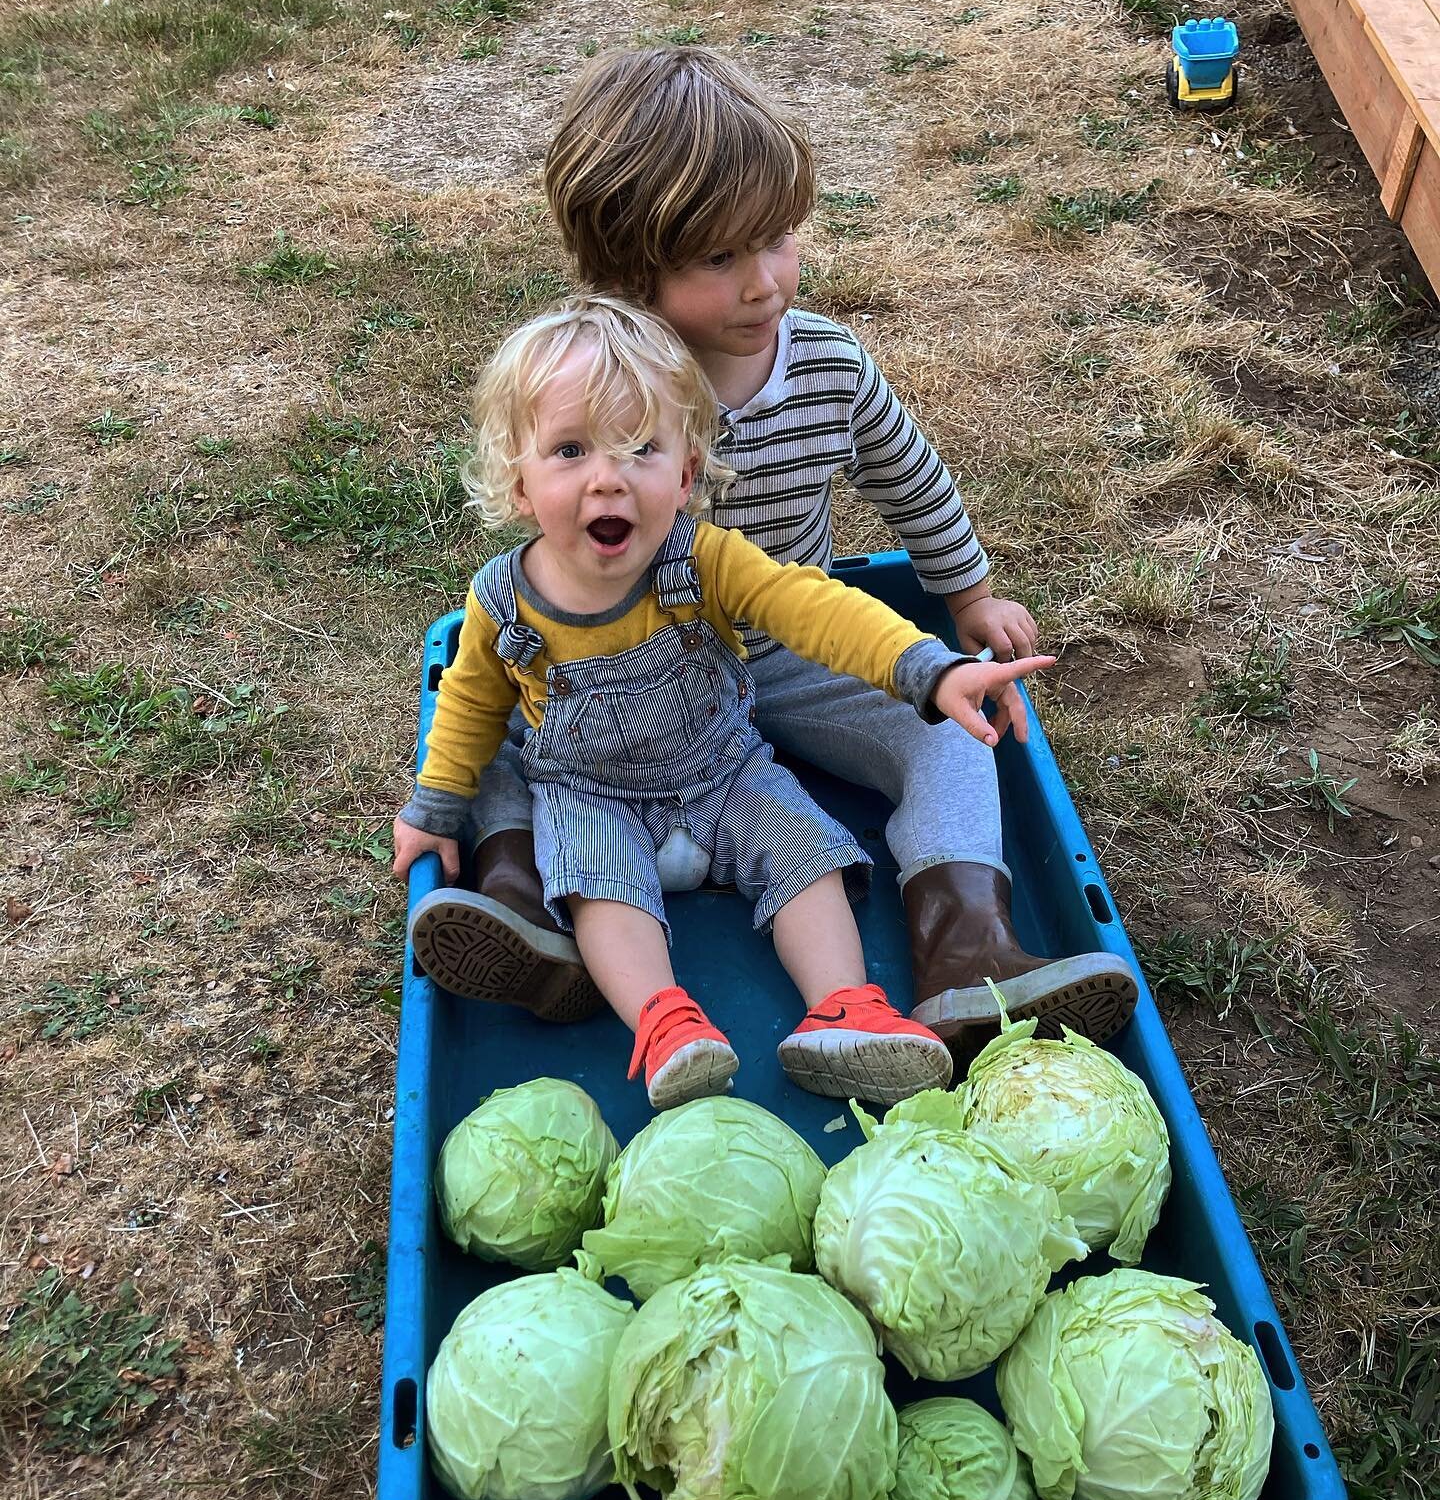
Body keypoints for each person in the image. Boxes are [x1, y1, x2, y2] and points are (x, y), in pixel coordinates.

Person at [405, 47, 1138, 1066]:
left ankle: (967, 950)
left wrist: (965, 597)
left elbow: (909, 476)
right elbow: (526, 579)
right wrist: (437, 798)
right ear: (631, 270)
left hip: (786, 651)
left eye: (780, 240)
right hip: (613, 664)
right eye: (719, 260)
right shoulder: (595, 384)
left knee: (953, 739)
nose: (765, 283)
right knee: (493, 719)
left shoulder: (826, 362)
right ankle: (522, 902)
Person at [392, 297, 1055, 1109]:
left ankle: (845, 1010)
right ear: (518, 482)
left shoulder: (704, 558)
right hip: (589, 791)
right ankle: (665, 1020)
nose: (608, 477)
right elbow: (465, 706)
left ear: (687, 472)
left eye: (641, 448)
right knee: (601, 888)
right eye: (570, 450)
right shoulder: (503, 600)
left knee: (807, 854)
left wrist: (928, 667)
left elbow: (813, 606)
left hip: (723, 768)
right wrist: (433, 808)